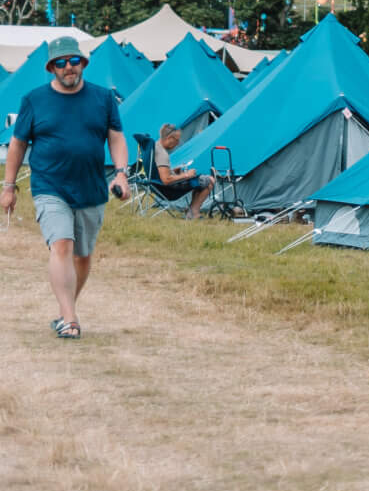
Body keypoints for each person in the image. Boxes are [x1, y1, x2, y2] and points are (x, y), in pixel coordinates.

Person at [2, 38, 133, 339]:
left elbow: (116, 137)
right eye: (60, 63)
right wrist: (9, 187)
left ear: (83, 63)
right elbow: (18, 144)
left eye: (74, 60)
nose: (68, 67)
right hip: (50, 186)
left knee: (83, 257)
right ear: (51, 68)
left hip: (91, 188)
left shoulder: (103, 98)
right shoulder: (34, 100)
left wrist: (121, 174)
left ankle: (64, 310)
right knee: (61, 244)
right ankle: (71, 320)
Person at [151, 122, 215, 217]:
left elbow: (161, 172)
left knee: (199, 181)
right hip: (168, 190)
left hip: (156, 185)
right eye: (177, 140)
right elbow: (166, 180)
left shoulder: (155, 147)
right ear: (169, 138)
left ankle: (191, 210)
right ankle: (194, 212)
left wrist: (173, 171)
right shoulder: (162, 154)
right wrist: (186, 175)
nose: (177, 144)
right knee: (209, 180)